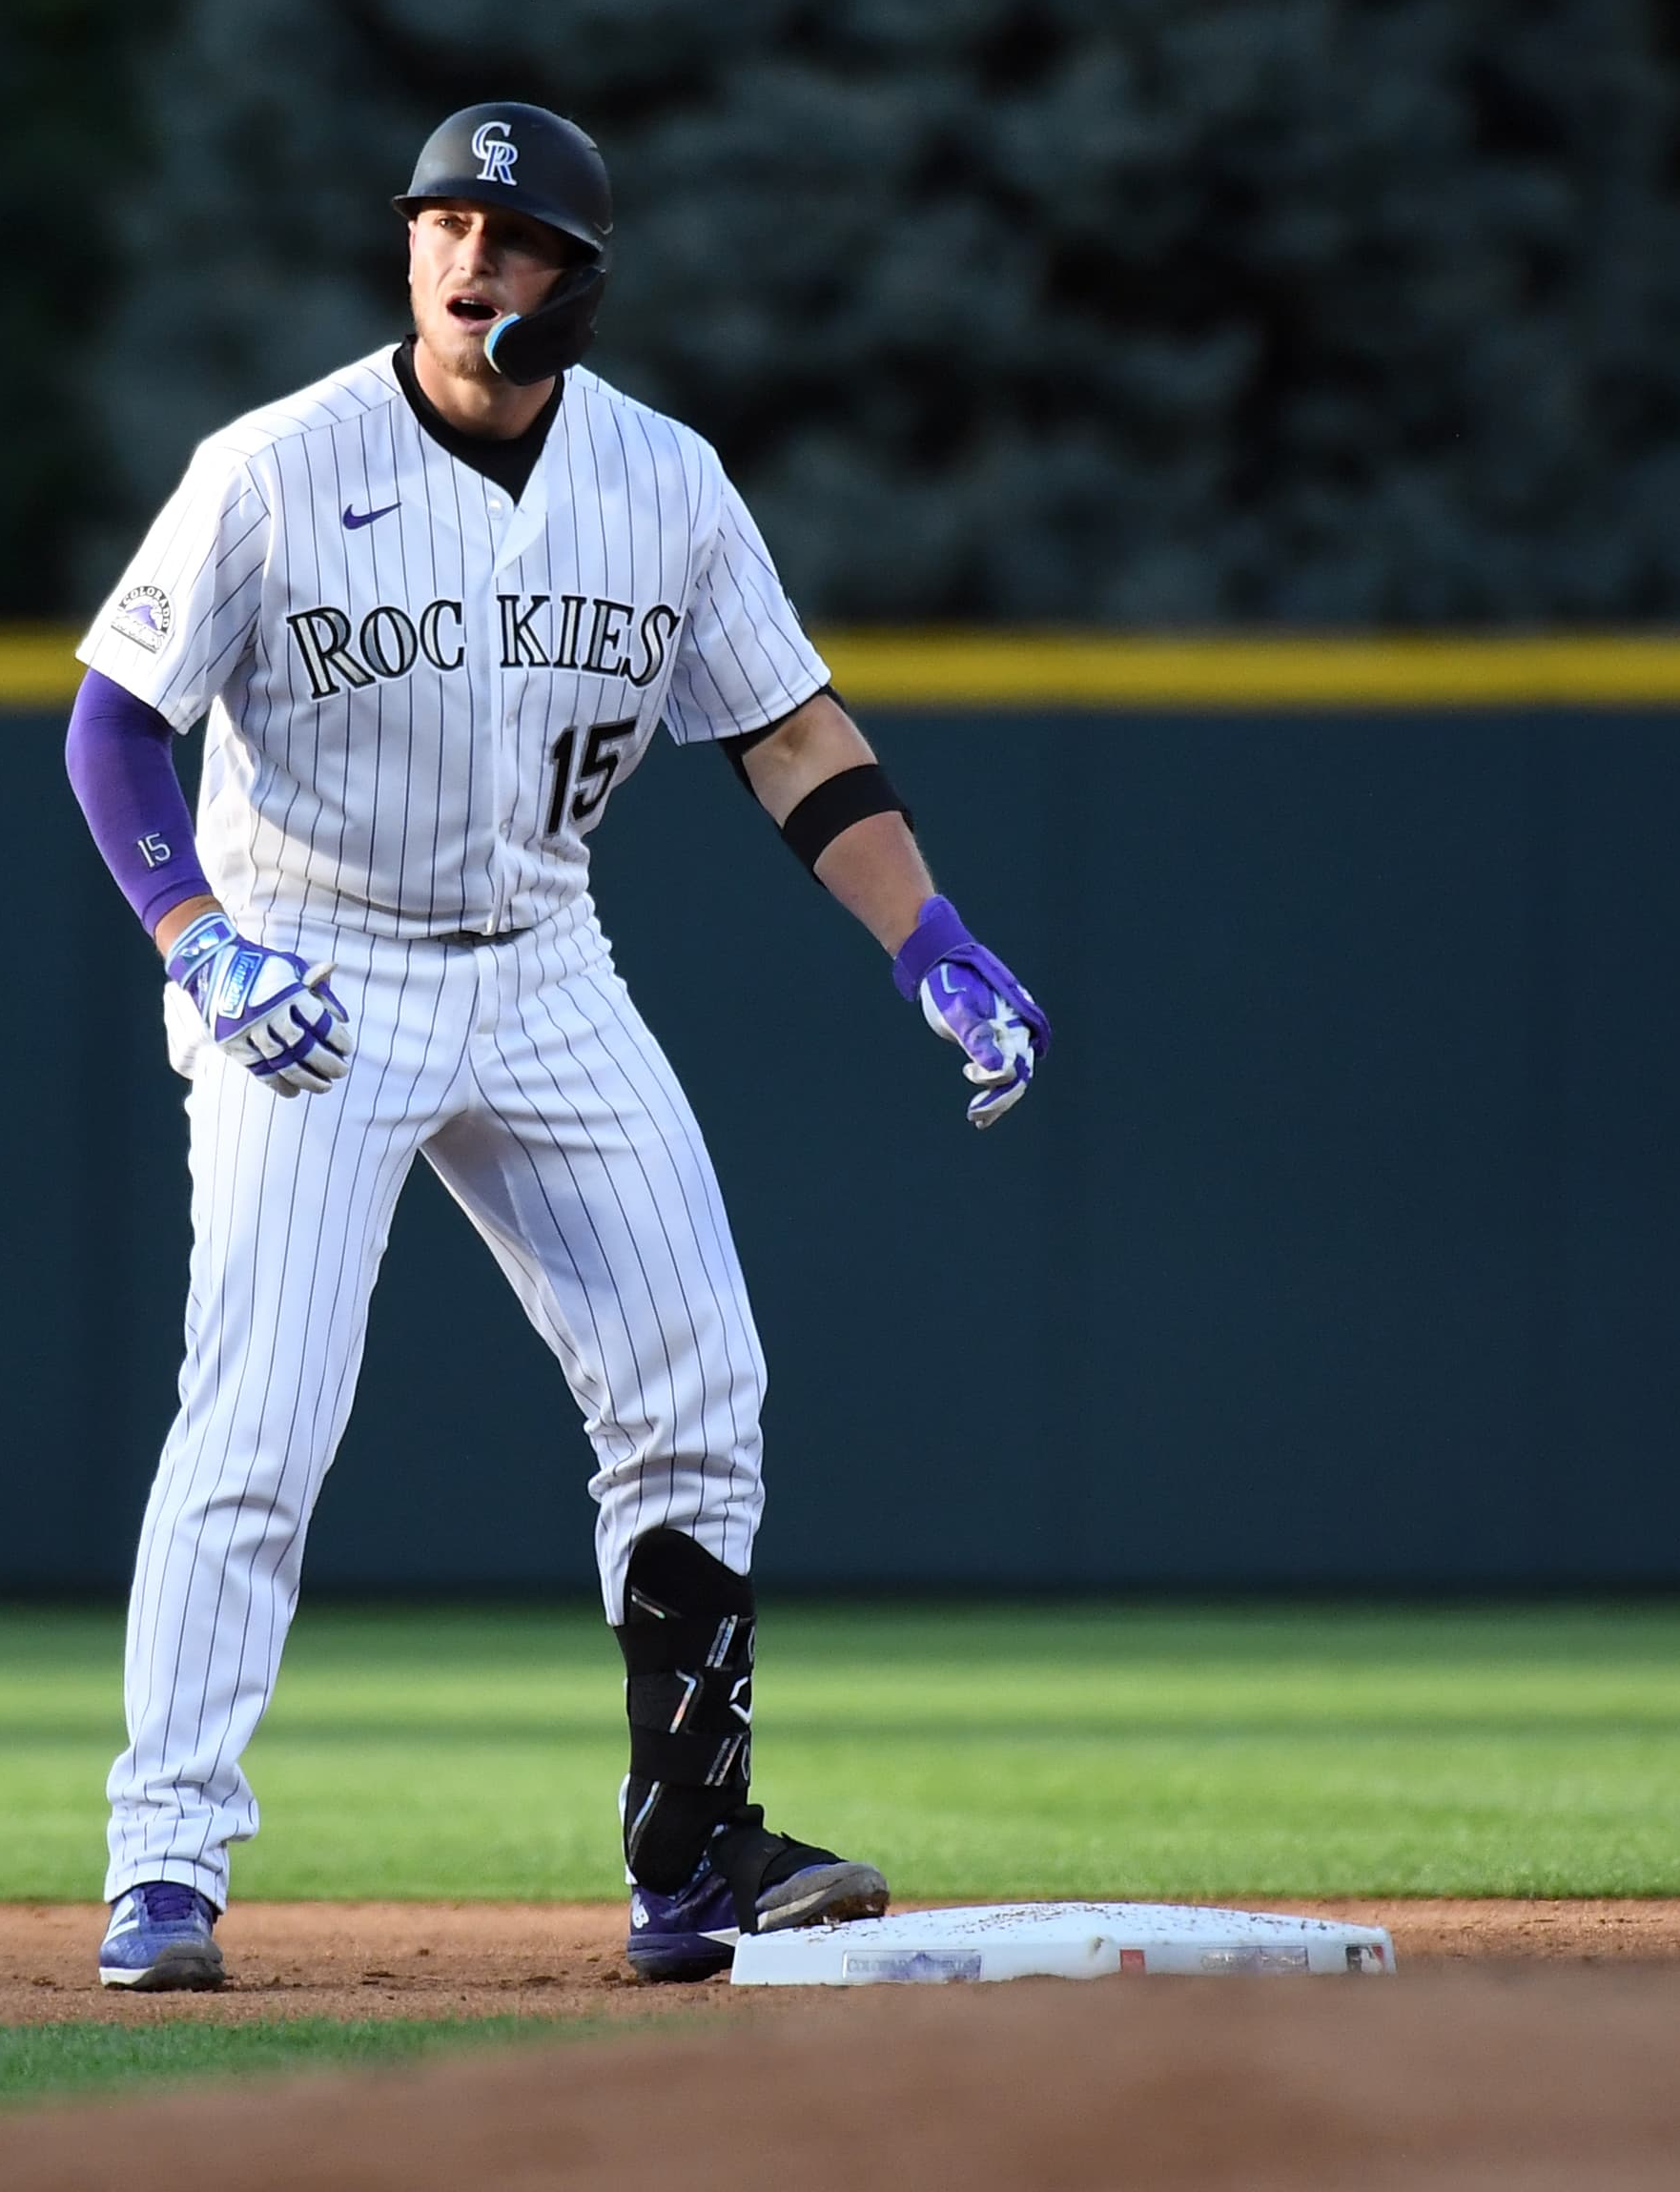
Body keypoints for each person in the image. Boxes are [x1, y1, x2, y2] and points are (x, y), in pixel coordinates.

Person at [62, 101, 1050, 1990]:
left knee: (696, 1386)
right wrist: (199, 940)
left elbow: (792, 733)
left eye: (509, 240)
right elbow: (113, 724)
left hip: (543, 959)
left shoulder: (662, 481)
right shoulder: (275, 465)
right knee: (262, 1417)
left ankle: (694, 1859)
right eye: (442, 225)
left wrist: (927, 931)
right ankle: (165, 1865)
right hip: (313, 963)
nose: (466, 260)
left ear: (574, 285)